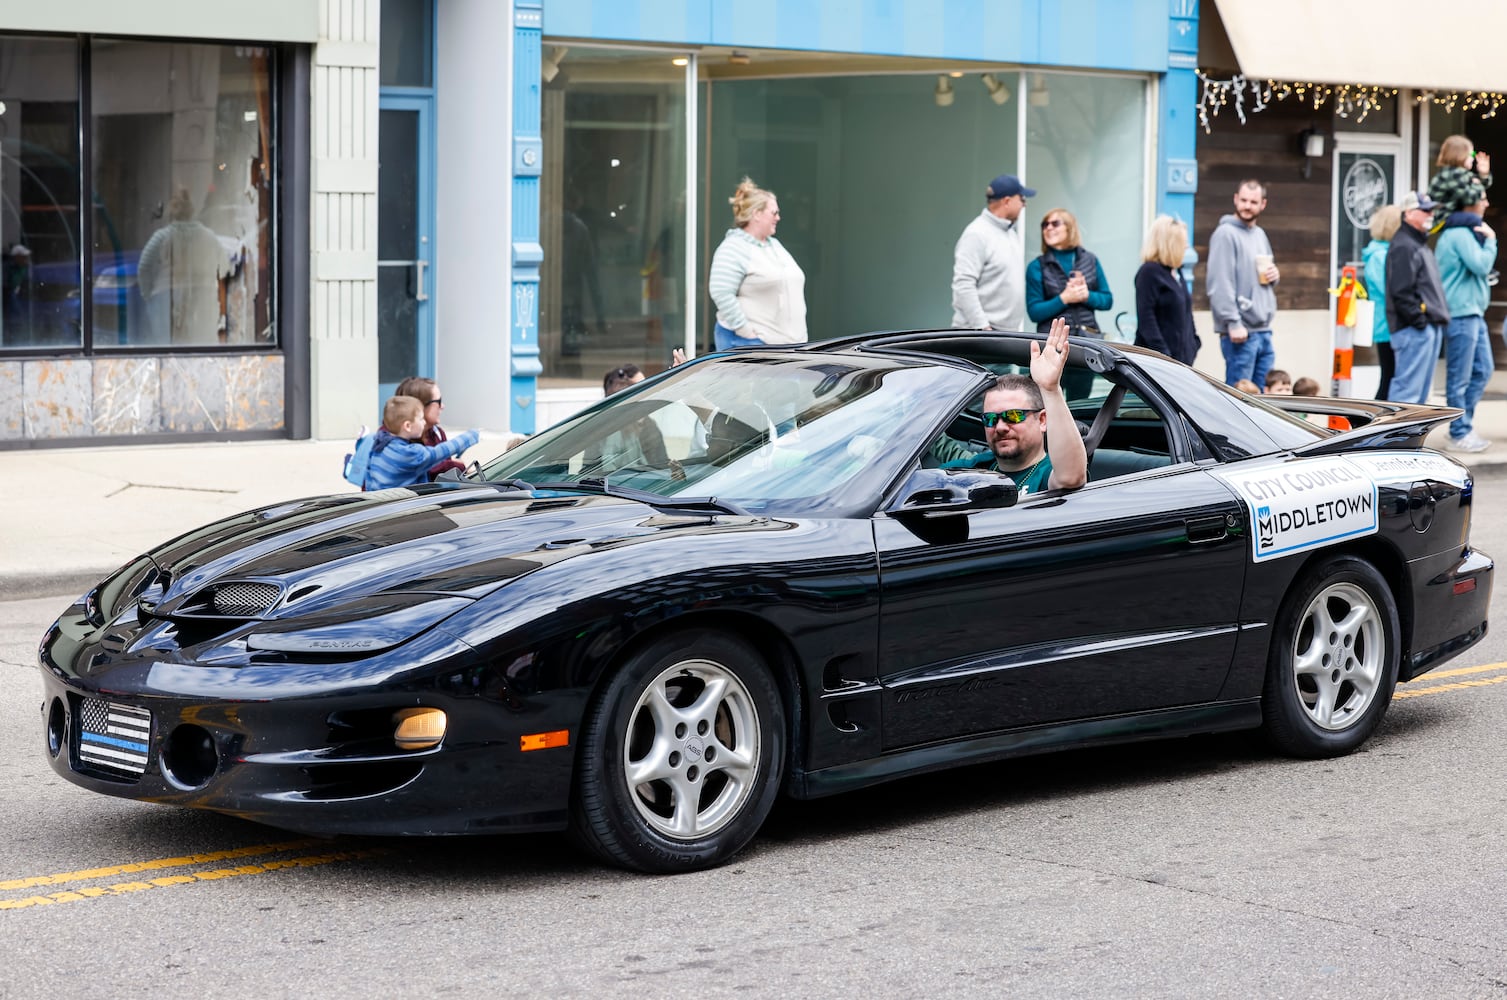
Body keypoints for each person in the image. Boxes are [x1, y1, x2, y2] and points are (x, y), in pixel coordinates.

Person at [942, 317, 1087, 495]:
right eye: (990, 419)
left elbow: (1070, 477)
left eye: (1013, 416)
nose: (1000, 427)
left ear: (1042, 420)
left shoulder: (1047, 472)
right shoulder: (973, 469)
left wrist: (1050, 389)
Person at [707, 177, 807, 350]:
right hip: (753, 346)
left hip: (788, 349)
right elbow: (720, 292)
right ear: (756, 214)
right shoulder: (734, 247)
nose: (778, 218)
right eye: (774, 213)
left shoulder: (773, 244)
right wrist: (748, 334)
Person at [1026, 207, 1111, 399]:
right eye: (1044, 225)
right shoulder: (1036, 266)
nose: (1048, 228)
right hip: (1050, 346)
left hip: (1084, 345)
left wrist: (1086, 296)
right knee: (1045, 402)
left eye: (1055, 223)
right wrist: (1064, 299)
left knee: (1079, 405)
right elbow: (1034, 311)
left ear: (1070, 228)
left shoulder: (1090, 260)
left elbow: (1107, 300)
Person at [1435, 195, 1498, 451]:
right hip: (1461, 313)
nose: (1486, 204)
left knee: (1483, 370)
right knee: (1459, 378)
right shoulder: (1460, 233)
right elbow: (1481, 265)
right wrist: (1492, 242)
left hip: (1473, 312)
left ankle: (1465, 426)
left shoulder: (1463, 231)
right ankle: (1459, 431)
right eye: (1482, 200)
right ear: (1469, 204)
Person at [1206, 179, 1279, 387]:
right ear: (1235, 199)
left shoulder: (1260, 234)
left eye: (1253, 202)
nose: (1247, 206)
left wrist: (1275, 276)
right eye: (1244, 200)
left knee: (1263, 404)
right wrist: (1233, 322)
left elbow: (1262, 277)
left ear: (1263, 204)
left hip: (1263, 329)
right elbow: (1220, 283)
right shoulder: (1225, 234)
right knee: (1239, 401)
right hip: (1240, 333)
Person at [137, 187, 231, 345]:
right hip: (200, 295)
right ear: (192, 210)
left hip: (164, 296)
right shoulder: (207, 236)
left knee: (165, 347)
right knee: (197, 345)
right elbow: (224, 266)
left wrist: (149, 296)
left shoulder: (162, 236)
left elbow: (144, 268)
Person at [1385, 191, 1450, 405]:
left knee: (1418, 400)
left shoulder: (1417, 242)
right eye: (1425, 210)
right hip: (1413, 329)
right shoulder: (1404, 244)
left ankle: (1409, 439)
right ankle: (1394, 439)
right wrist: (1419, 321)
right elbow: (1401, 290)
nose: (1431, 214)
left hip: (1424, 327)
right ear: (1409, 213)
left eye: (1432, 210)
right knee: (1407, 396)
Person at [952, 173, 1035, 332]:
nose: (1024, 205)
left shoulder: (1009, 232)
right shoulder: (976, 233)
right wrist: (983, 327)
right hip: (978, 334)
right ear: (1007, 201)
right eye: (1022, 199)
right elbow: (963, 284)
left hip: (1003, 334)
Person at [362, 395, 480, 491]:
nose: (424, 423)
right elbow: (440, 451)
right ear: (407, 426)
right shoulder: (410, 454)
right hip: (402, 510)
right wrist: (470, 436)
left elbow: (369, 481)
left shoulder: (379, 445)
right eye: (420, 419)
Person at [1132, 215, 1199, 365]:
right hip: (1158, 364)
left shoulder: (1176, 272)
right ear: (1170, 244)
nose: (1186, 246)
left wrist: (1194, 343)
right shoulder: (1148, 272)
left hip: (1181, 362)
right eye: (1183, 242)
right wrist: (1164, 356)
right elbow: (1146, 320)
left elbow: (1186, 311)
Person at [1361, 205, 1402, 400]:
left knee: (1390, 377)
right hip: (1386, 325)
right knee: (1389, 378)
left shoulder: (1383, 252)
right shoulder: (1380, 256)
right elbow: (1390, 290)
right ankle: (1375, 426)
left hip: (1387, 324)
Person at [394, 376, 469, 480]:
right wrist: (455, 464)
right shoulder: (395, 442)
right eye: (438, 401)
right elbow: (423, 465)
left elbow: (445, 476)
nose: (442, 406)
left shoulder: (438, 433)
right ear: (419, 406)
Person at [1428, 135, 1492, 225]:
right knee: (1475, 221)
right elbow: (1471, 199)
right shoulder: (1452, 174)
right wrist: (1477, 184)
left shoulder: (1460, 173)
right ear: (1460, 155)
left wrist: (1483, 174)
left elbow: (1481, 187)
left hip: (1449, 215)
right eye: (1472, 154)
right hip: (1440, 218)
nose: (1473, 158)